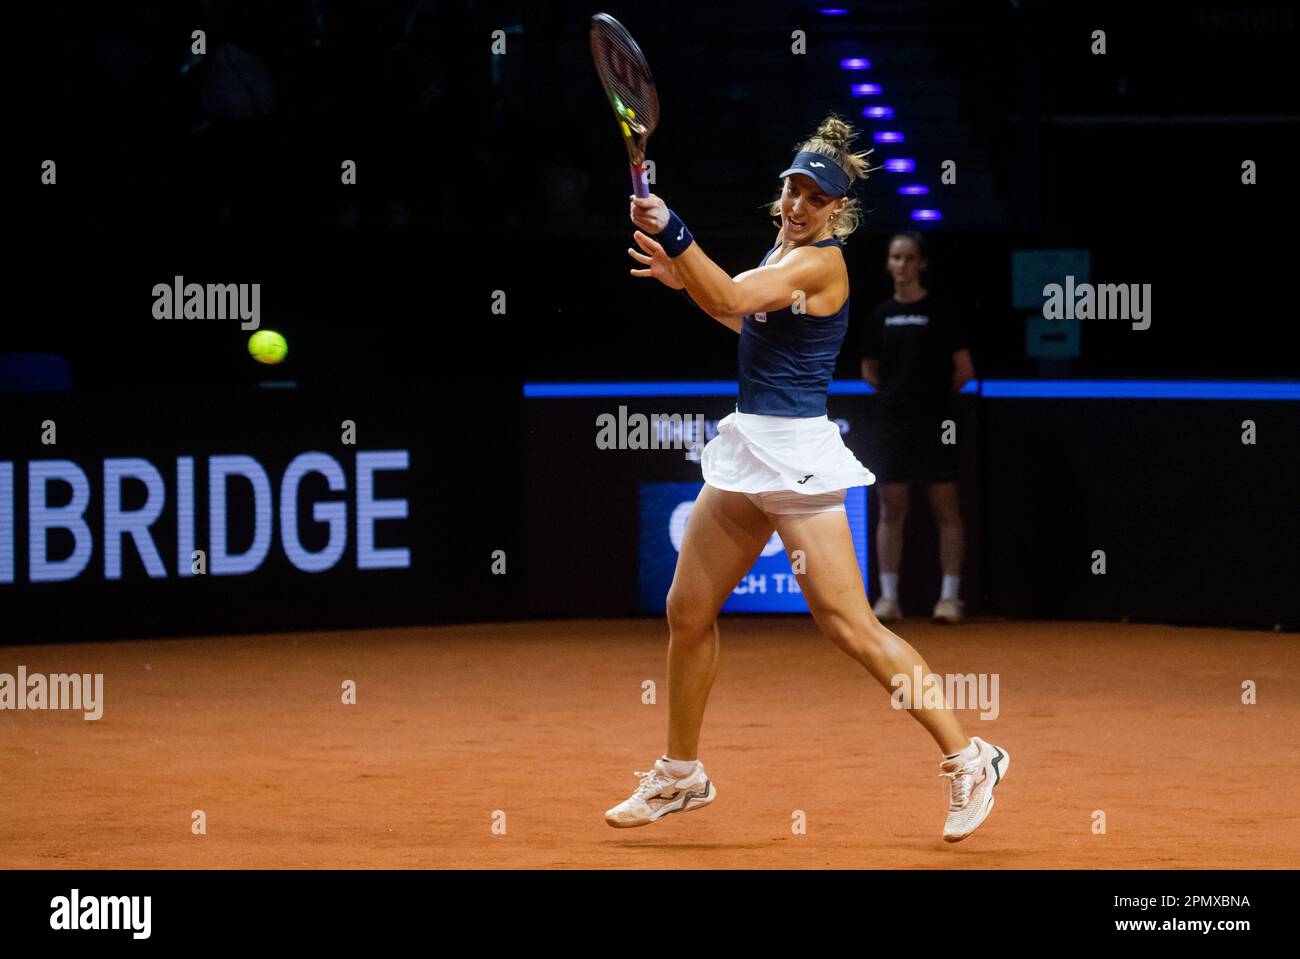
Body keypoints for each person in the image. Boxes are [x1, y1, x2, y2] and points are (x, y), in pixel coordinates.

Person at [608, 115, 1008, 842]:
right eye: (792, 188)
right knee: (687, 610)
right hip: (747, 450)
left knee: (848, 625)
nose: (797, 203)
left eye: (814, 197)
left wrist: (675, 233)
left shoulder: (821, 262)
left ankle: (970, 755)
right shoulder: (782, 247)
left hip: (793, 456)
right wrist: (683, 279)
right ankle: (680, 772)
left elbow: (730, 297)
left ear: (837, 211)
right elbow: (742, 319)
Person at [861, 232, 976, 624]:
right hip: (891, 424)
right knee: (891, 507)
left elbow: (964, 371)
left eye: (911, 258)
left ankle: (949, 599)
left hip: (938, 424)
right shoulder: (879, 315)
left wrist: (930, 400)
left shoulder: (943, 311)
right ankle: (889, 599)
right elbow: (869, 371)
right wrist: (899, 397)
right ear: (888, 264)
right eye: (896, 258)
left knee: (945, 506)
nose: (903, 265)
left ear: (922, 264)